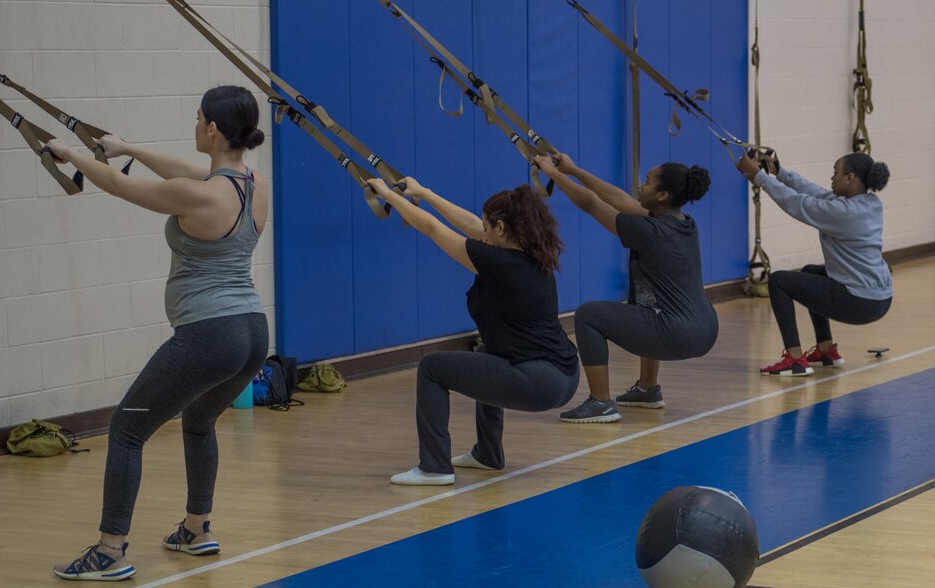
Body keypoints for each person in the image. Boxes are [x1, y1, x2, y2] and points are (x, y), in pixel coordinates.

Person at [45, 85, 269, 580]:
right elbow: (186, 173)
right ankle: (195, 528)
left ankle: (109, 551)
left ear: (211, 129)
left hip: (211, 334)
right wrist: (126, 148)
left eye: (196, 119)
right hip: (253, 333)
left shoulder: (197, 194)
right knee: (198, 421)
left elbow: (121, 187)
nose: (193, 127)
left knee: (127, 430)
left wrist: (73, 155)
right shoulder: (253, 183)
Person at [367, 177, 579, 485]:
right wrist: (424, 192)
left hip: (539, 381)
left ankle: (434, 467)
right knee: (487, 354)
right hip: (565, 376)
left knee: (432, 368)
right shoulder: (532, 255)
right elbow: (469, 224)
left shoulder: (498, 262)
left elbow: (431, 229)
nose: (481, 230)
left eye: (487, 225)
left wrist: (387, 194)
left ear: (502, 228)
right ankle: (487, 454)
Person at [535, 155, 718, 424]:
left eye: (647, 182)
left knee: (588, 315)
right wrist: (573, 169)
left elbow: (591, 203)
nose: (641, 187)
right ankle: (647, 389)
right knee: (647, 307)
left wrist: (554, 174)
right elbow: (620, 200)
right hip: (706, 328)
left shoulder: (648, 231)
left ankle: (600, 403)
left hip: (679, 332)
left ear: (663, 195)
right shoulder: (684, 223)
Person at [737, 151, 892, 376]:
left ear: (850, 178)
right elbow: (816, 193)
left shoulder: (843, 213)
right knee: (810, 272)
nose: (831, 178)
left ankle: (795, 360)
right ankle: (826, 351)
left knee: (779, 281)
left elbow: (797, 203)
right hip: (880, 298)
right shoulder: (869, 203)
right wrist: (779, 172)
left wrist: (760, 177)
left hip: (861, 302)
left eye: (835, 173)